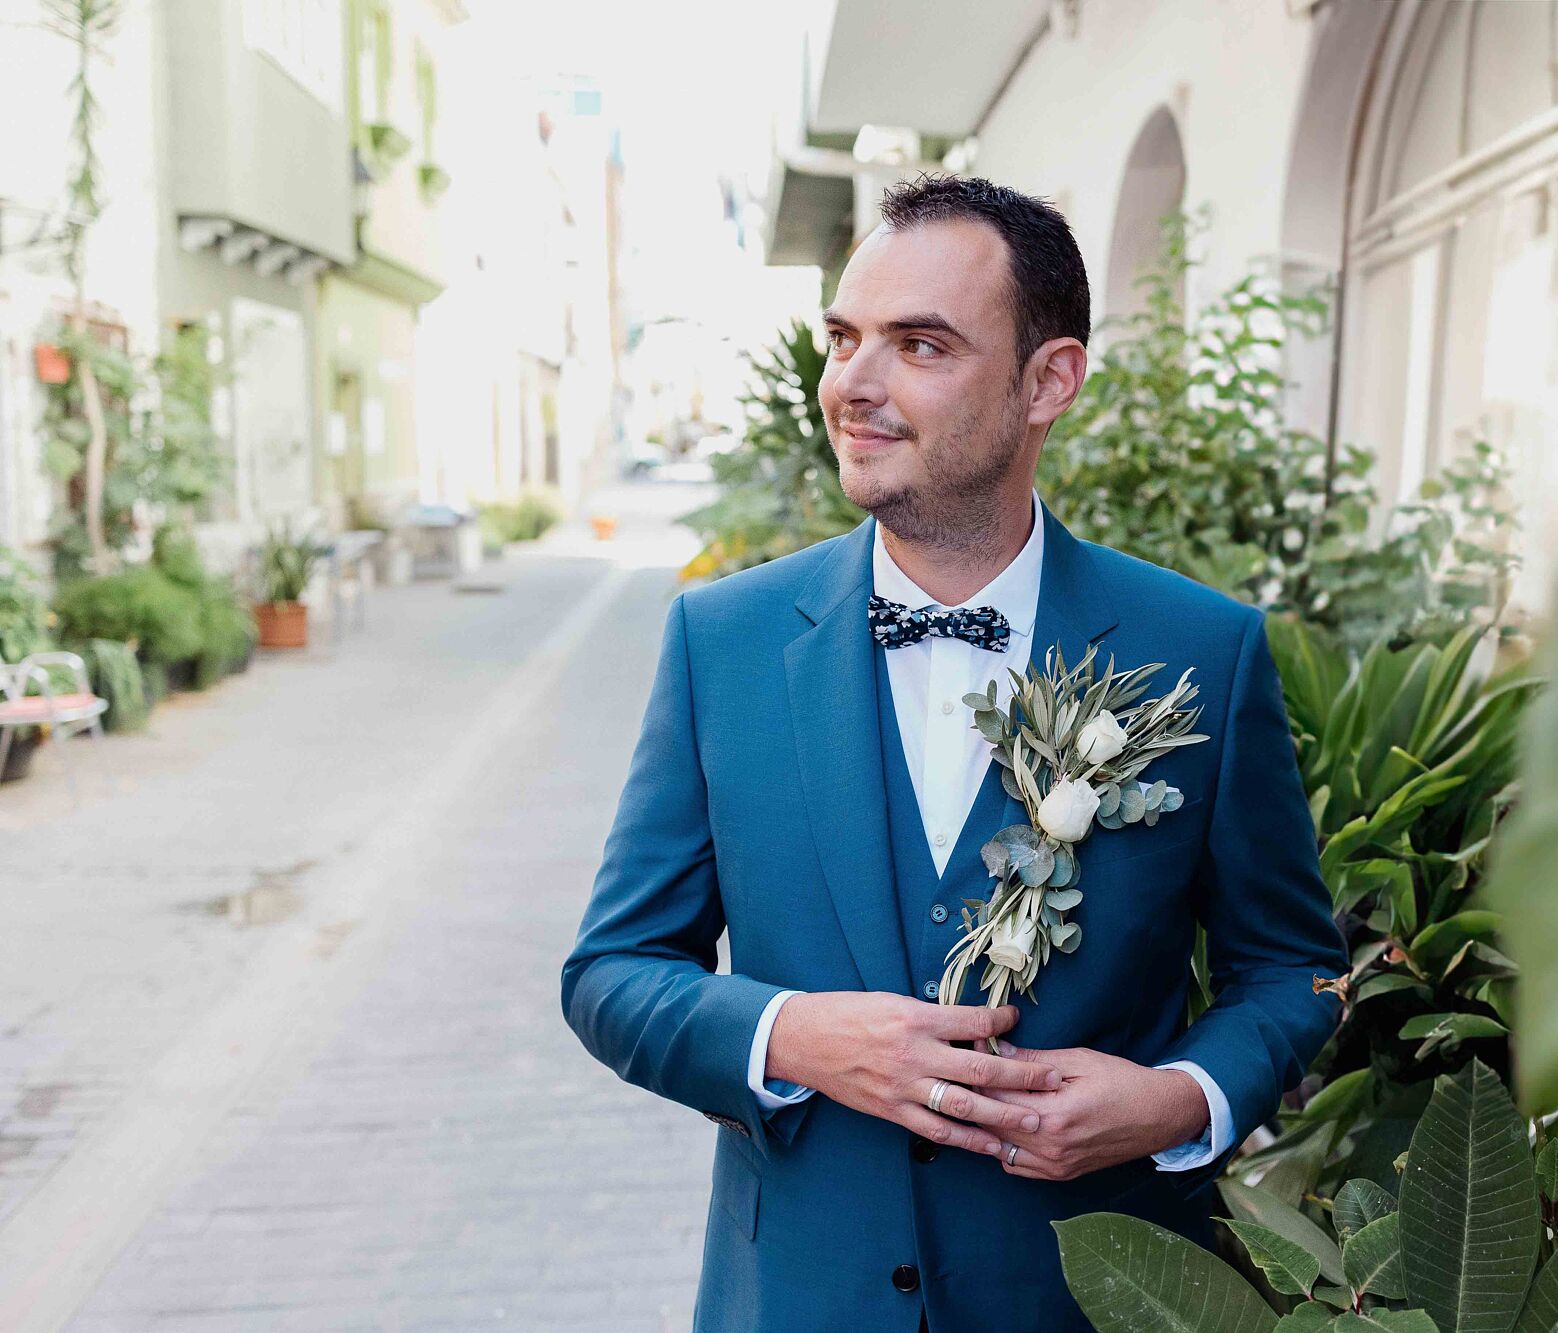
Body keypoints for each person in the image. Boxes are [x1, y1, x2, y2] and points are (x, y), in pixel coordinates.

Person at [562, 173, 1348, 1333]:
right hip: (798, 1299)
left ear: (1049, 381)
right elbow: (612, 971)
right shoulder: (719, 642)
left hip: (1094, 1301)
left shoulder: (1201, 652)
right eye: (843, 339)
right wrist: (793, 1036)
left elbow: (1294, 968)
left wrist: (1179, 1100)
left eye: (919, 344)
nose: (853, 386)